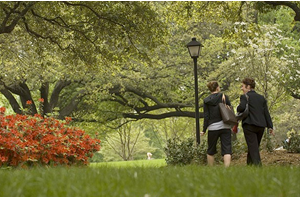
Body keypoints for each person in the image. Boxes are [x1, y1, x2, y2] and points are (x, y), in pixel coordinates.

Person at [237, 77, 274, 166]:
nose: (241, 88)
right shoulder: (261, 98)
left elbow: (241, 108)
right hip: (261, 126)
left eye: (242, 86)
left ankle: (258, 167)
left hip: (249, 125)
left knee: (253, 148)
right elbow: (266, 113)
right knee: (253, 147)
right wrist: (270, 126)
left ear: (248, 86)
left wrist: (238, 107)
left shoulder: (244, 96)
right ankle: (249, 167)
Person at [200, 81, 233, 167]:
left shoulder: (206, 101)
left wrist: (204, 130)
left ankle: (211, 169)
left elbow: (206, 116)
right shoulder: (224, 97)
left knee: (211, 149)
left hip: (212, 128)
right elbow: (229, 110)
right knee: (227, 149)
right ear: (217, 87)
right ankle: (227, 169)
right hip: (225, 126)